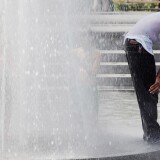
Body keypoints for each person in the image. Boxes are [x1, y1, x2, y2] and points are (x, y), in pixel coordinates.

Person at [124, 12, 160, 143]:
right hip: (139, 46)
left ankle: (150, 133)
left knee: (144, 92)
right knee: (150, 90)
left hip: (131, 44)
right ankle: (153, 135)